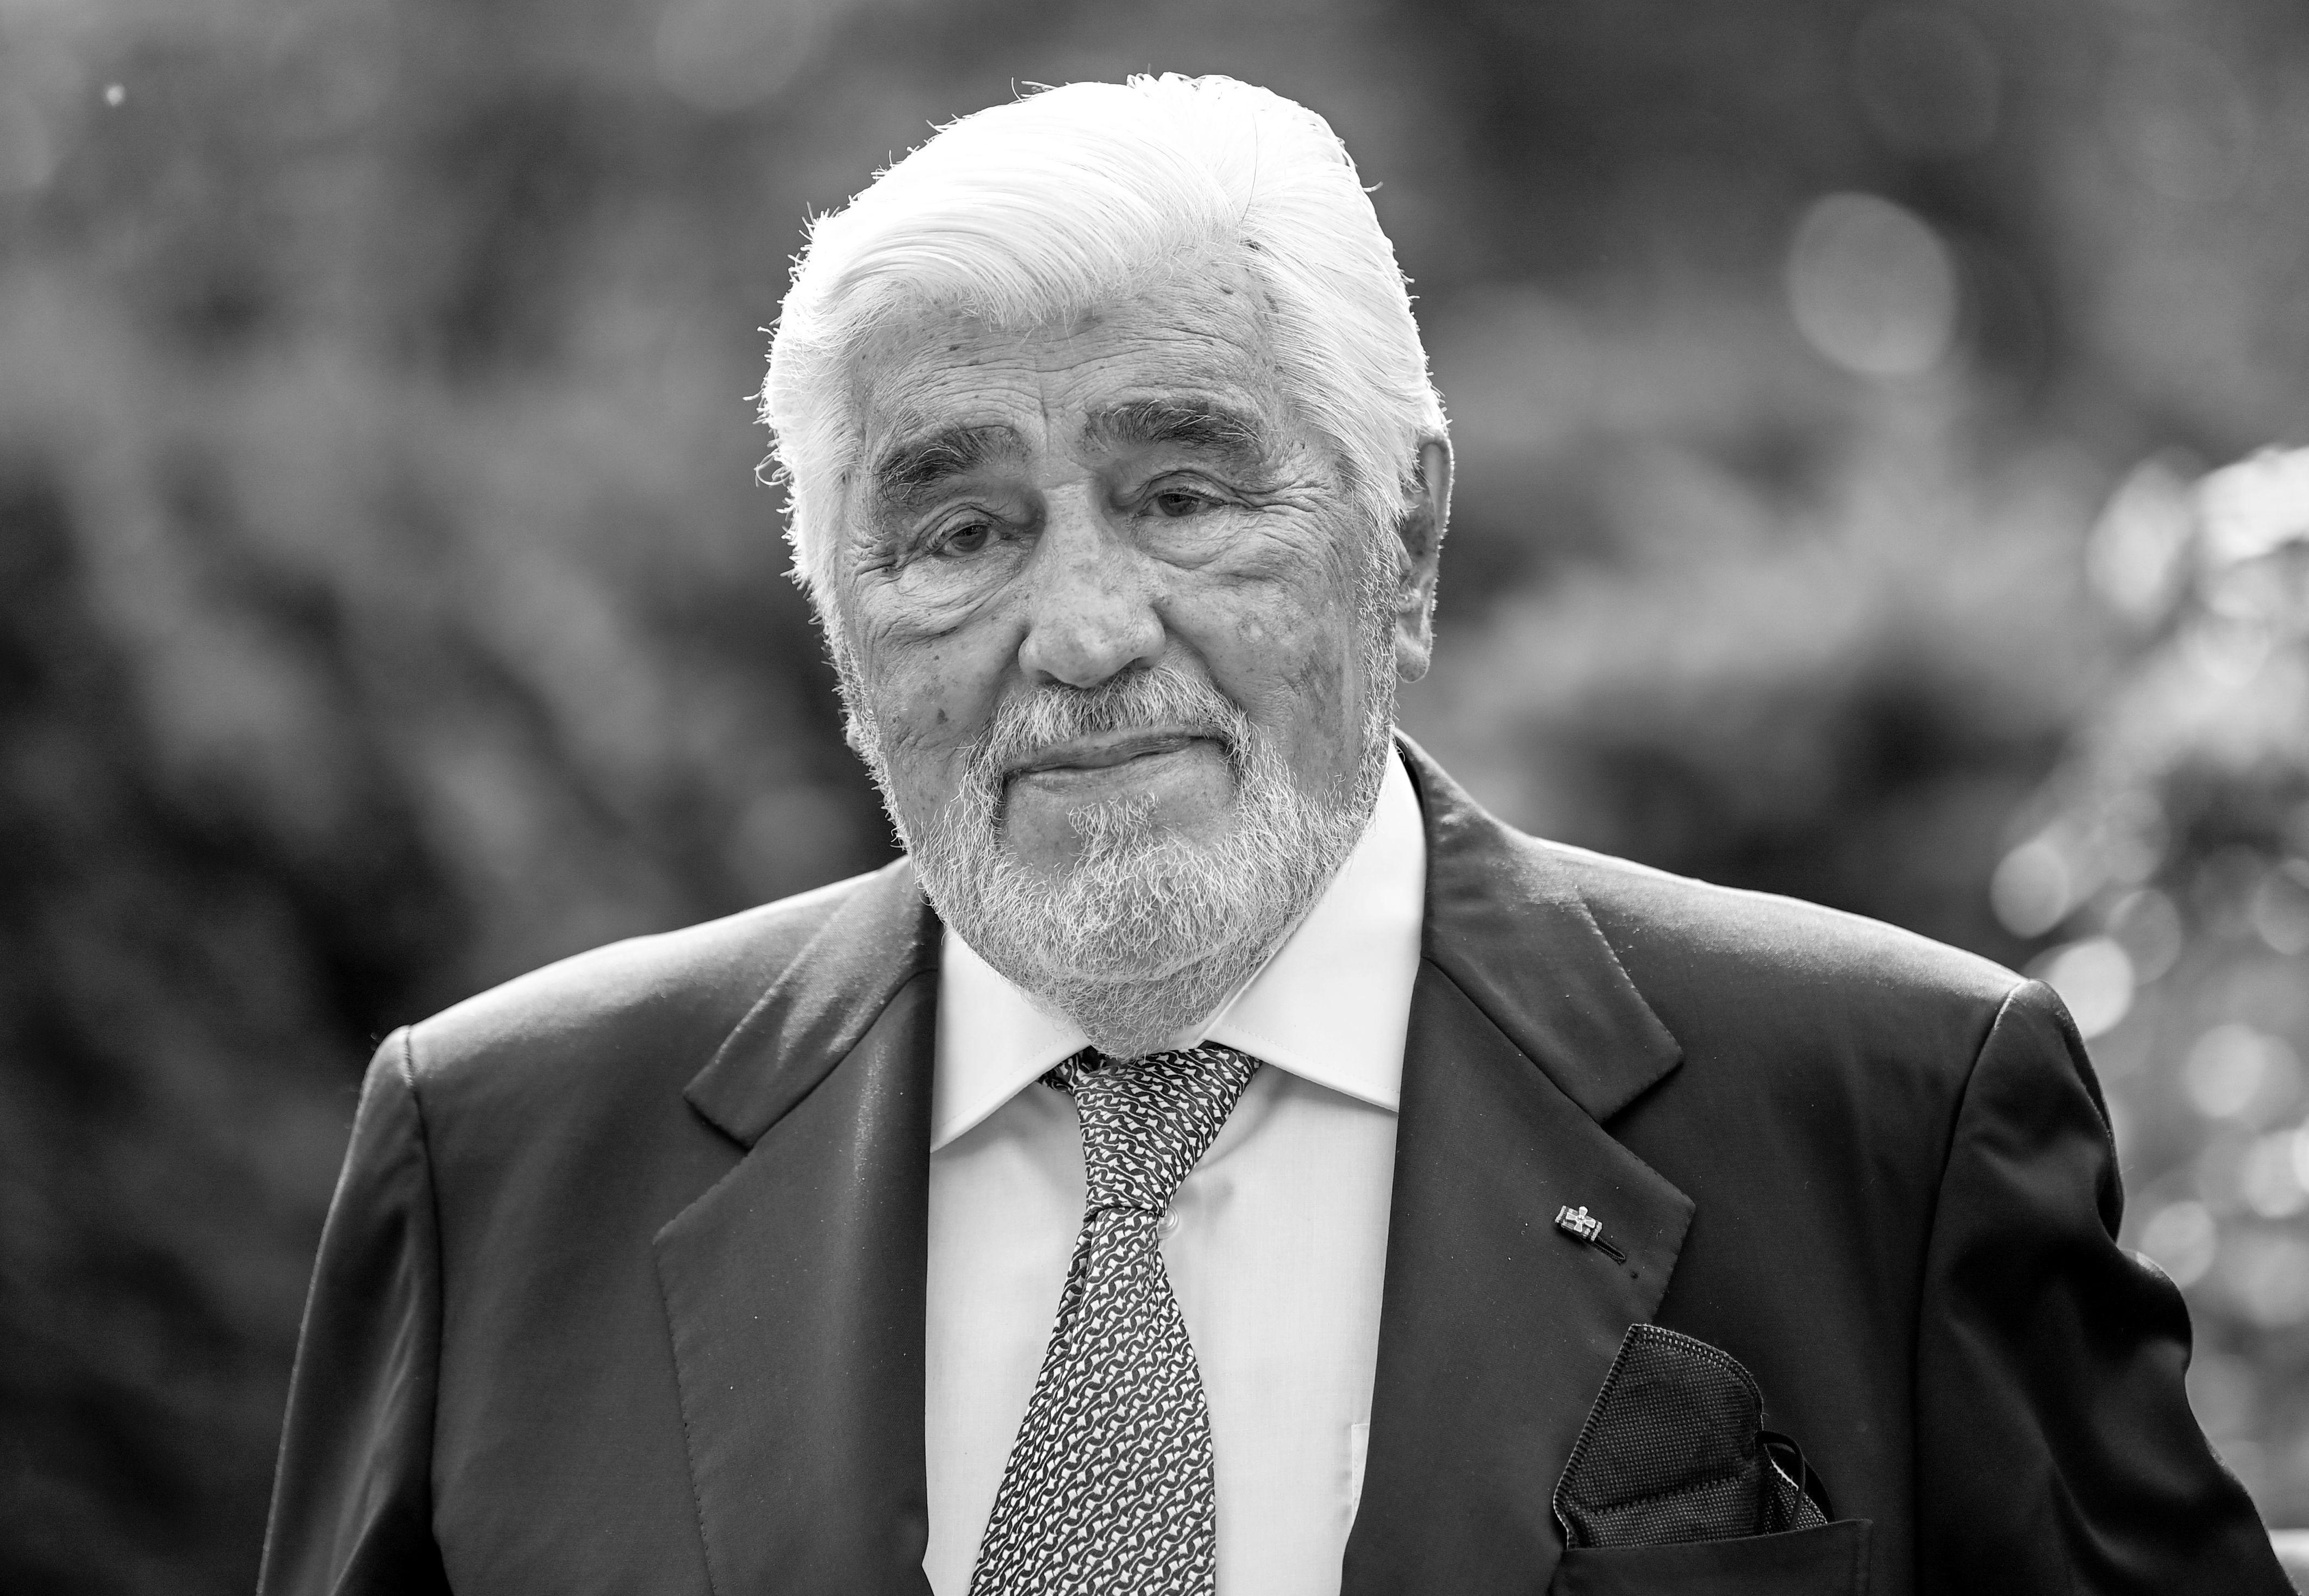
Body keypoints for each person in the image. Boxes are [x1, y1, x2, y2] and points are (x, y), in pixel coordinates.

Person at [257, 74, 2289, 1596]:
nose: (1080, 633)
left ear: (1407, 541)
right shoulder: (503, 1157)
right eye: (957, 532)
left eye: (1184, 496)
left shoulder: (1884, 1116)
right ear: (841, 621)